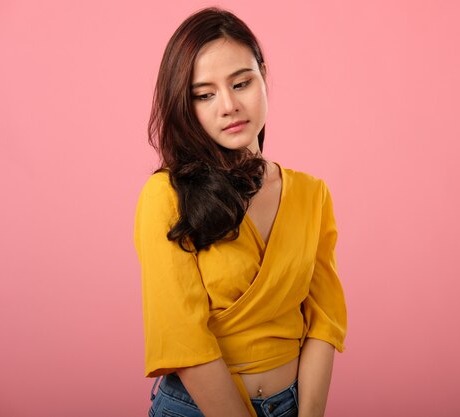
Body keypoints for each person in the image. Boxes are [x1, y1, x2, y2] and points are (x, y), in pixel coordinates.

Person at [133, 7, 347, 417]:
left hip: (294, 404)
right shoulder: (166, 195)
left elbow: (325, 322)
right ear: (185, 105)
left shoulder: (311, 194)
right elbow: (182, 338)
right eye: (204, 94)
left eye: (241, 83)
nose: (229, 106)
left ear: (264, 76)